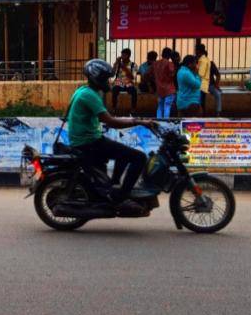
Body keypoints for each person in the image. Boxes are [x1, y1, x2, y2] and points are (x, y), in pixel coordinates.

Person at [67, 59, 154, 206]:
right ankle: (121, 197)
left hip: (86, 140)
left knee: (123, 152)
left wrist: (138, 120)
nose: (109, 82)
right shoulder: (90, 96)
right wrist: (139, 122)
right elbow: (111, 122)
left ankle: (113, 186)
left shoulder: (83, 90)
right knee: (139, 157)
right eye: (106, 78)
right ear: (98, 79)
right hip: (89, 143)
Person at [110, 48, 138, 112]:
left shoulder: (133, 65)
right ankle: (114, 107)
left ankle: (133, 108)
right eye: (122, 55)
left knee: (134, 91)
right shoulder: (118, 64)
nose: (122, 57)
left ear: (128, 56)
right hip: (119, 83)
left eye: (124, 55)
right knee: (114, 90)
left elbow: (132, 77)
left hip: (129, 83)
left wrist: (124, 67)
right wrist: (116, 63)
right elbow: (112, 74)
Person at [153, 48, 177, 119]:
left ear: (162, 54)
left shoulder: (155, 63)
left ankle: (158, 121)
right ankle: (166, 122)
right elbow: (172, 74)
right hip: (169, 89)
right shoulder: (169, 64)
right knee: (167, 106)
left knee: (160, 106)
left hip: (159, 89)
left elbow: (148, 74)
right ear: (170, 55)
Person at [195, 43, 211, 110]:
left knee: (200, 104)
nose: (195, 52)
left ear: (199, 51)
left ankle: (201, 115)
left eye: (196, 50)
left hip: (201, 85)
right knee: (201, 103)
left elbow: (200, 74)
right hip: (202, 84)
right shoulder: (204, 59)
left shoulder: (203, 60)